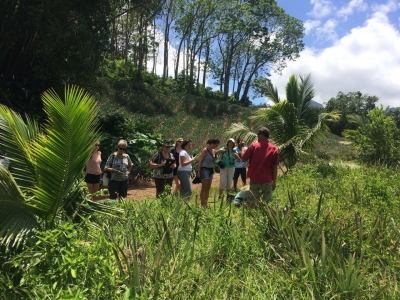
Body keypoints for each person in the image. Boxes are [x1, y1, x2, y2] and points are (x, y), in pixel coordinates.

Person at [241, 127, 279, 205]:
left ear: (262, 135)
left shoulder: (254, 146)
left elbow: (244, 158)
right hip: (267, 179)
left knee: (252, 202)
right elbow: (275, 167)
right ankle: (266, 216)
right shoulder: (274, 148)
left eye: (258, 134)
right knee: (267, 203)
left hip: (255, 178)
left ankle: (253, 216)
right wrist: (274, 182)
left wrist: (242, 148)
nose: (257, 136)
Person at [197, 138, 220, 207]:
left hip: (210, 170)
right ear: (212, 143)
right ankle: (202, 204)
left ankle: (205, 204)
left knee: (208, 188)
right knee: (204, 188)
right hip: (205, 169)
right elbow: (200, 161)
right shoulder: (205, 150)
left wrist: (216, 156)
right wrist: (199, 171)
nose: (216, 146)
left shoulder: (213, 151)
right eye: (215, 145)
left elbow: (213, 160)